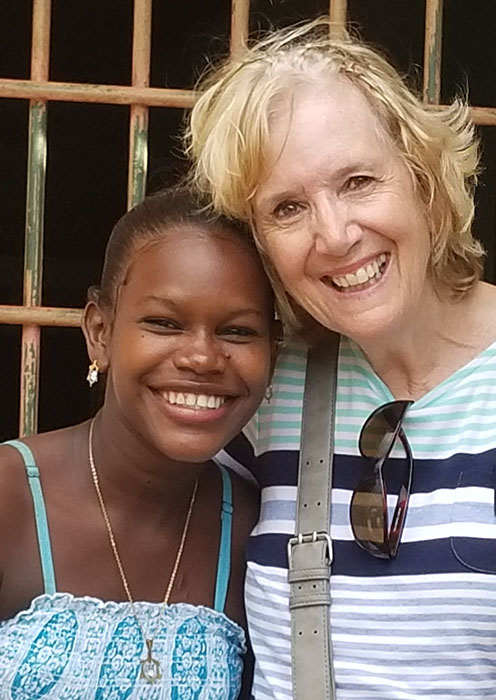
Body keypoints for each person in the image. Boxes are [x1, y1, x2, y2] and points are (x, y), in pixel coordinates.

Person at [185, 17, 496, 700]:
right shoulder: (263, 387)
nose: (335, 234)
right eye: (288, 208)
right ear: (259, 244)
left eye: (358, 181)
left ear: (423, 179)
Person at [0, 187, 278, 699]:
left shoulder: (254, 530)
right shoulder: (10, 496)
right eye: (164, 323)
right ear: (100, 332)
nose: (202, 357)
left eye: (237, 332)